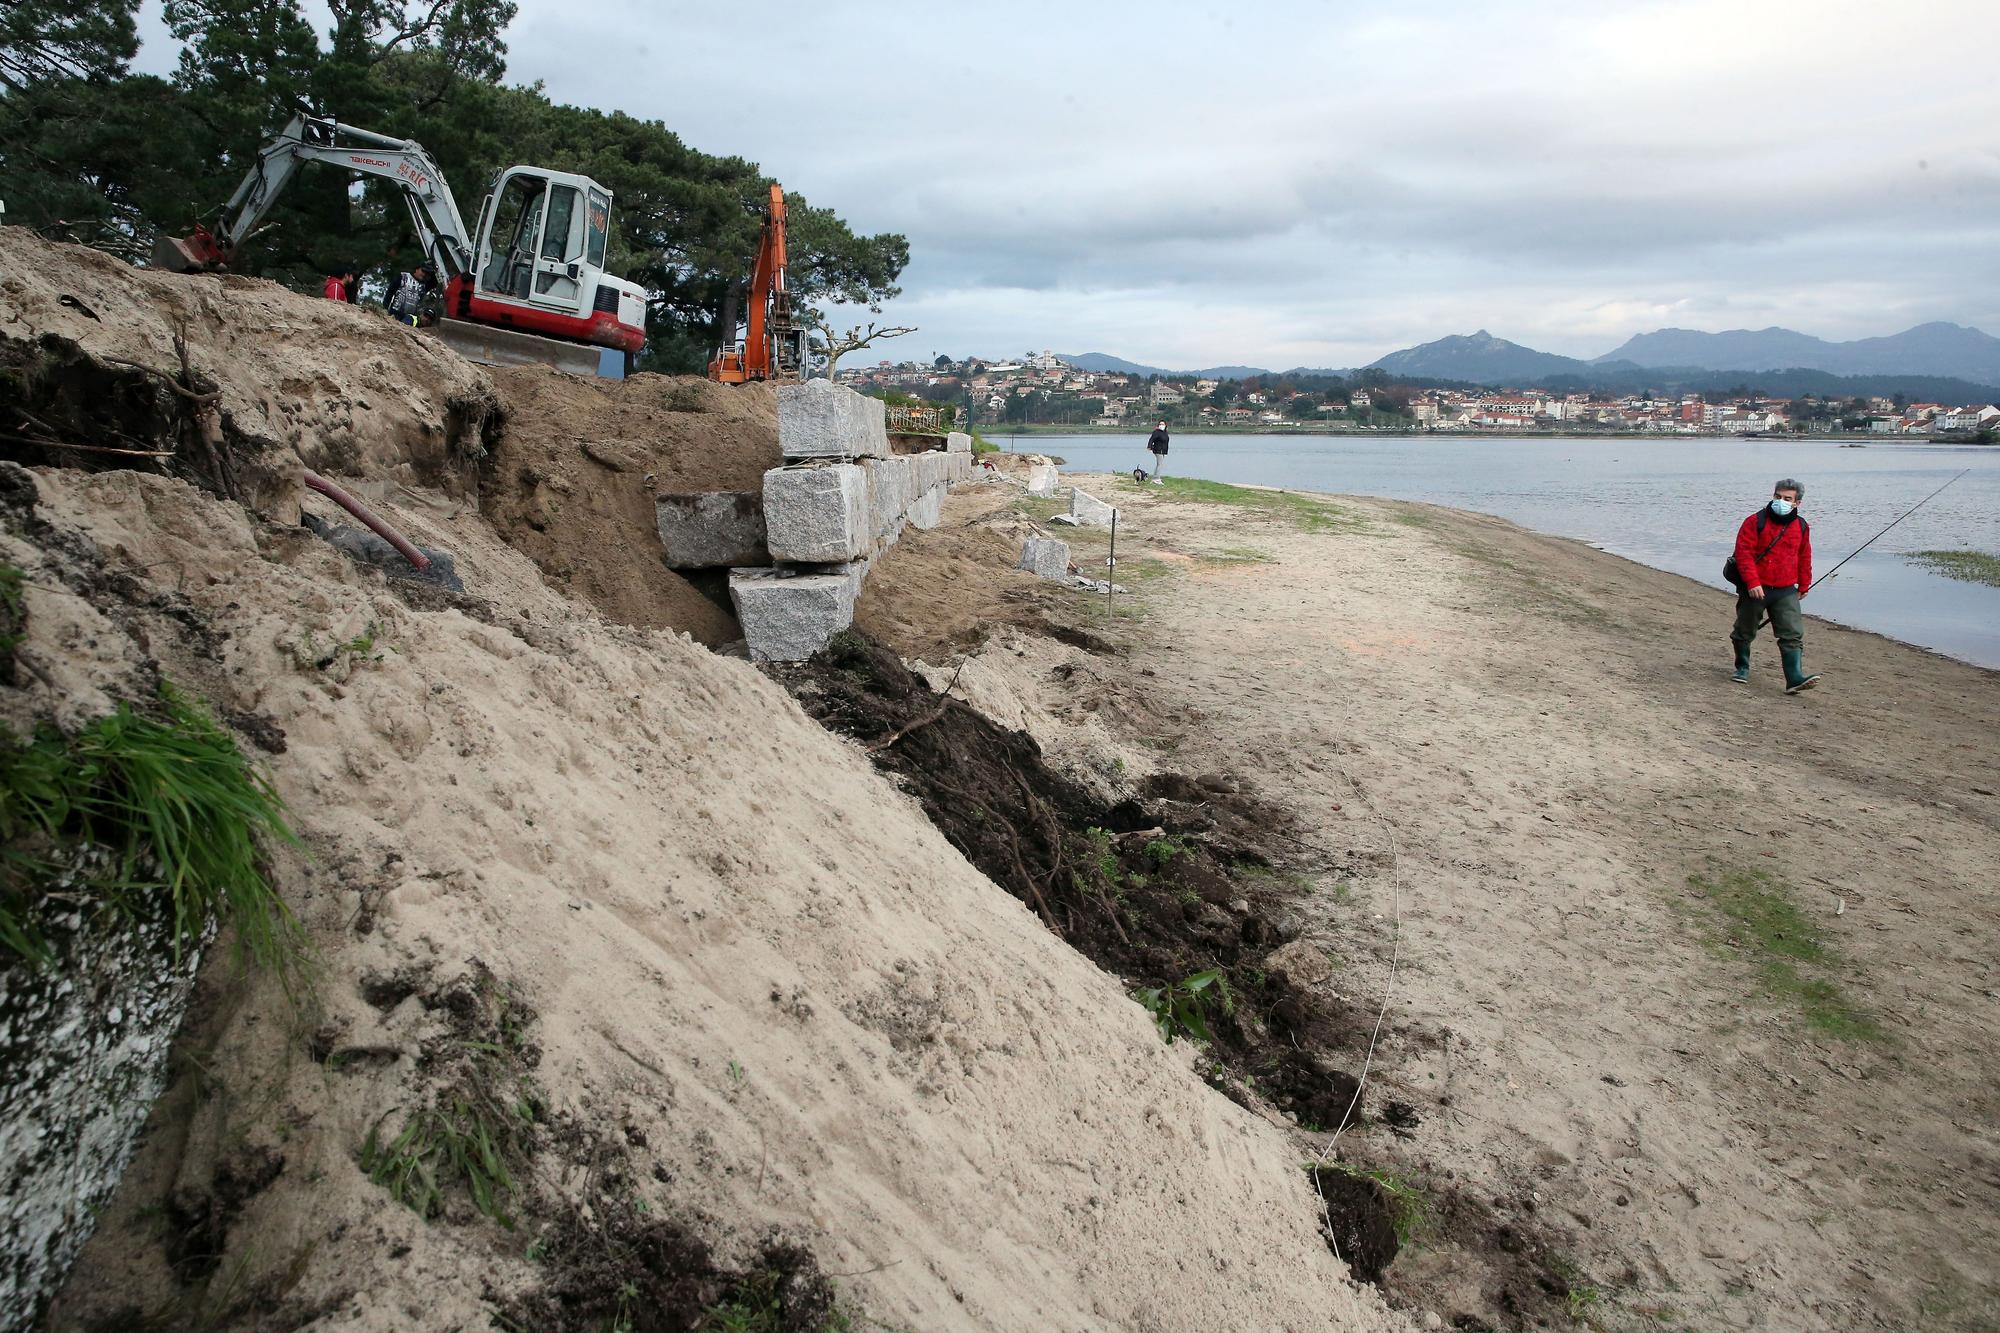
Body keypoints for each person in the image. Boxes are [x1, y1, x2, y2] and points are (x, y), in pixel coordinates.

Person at [1729, 478, 1820, 693]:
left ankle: (1794, 678)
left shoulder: (1801, 526)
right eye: (1778, 497)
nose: (1781, 501)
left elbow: (1804, 555)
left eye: (1787, 498)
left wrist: (1805, 584)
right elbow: (1744, 554)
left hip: (1786, 589)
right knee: (1744, 630)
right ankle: (1742, 667)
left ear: (1797, 503)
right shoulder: (1754, 521)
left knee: (1792, 634)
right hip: (1755, 587)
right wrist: (1752, 582)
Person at [384, 261, 434, 326]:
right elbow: (389, 293)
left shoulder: (424, 286)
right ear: (417, 269)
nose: (424, 274)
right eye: (423, 271)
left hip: (409, 318)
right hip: (395, 313)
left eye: (427, 273)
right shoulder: (402, 277)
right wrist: (385, 308)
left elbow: (436, 280)